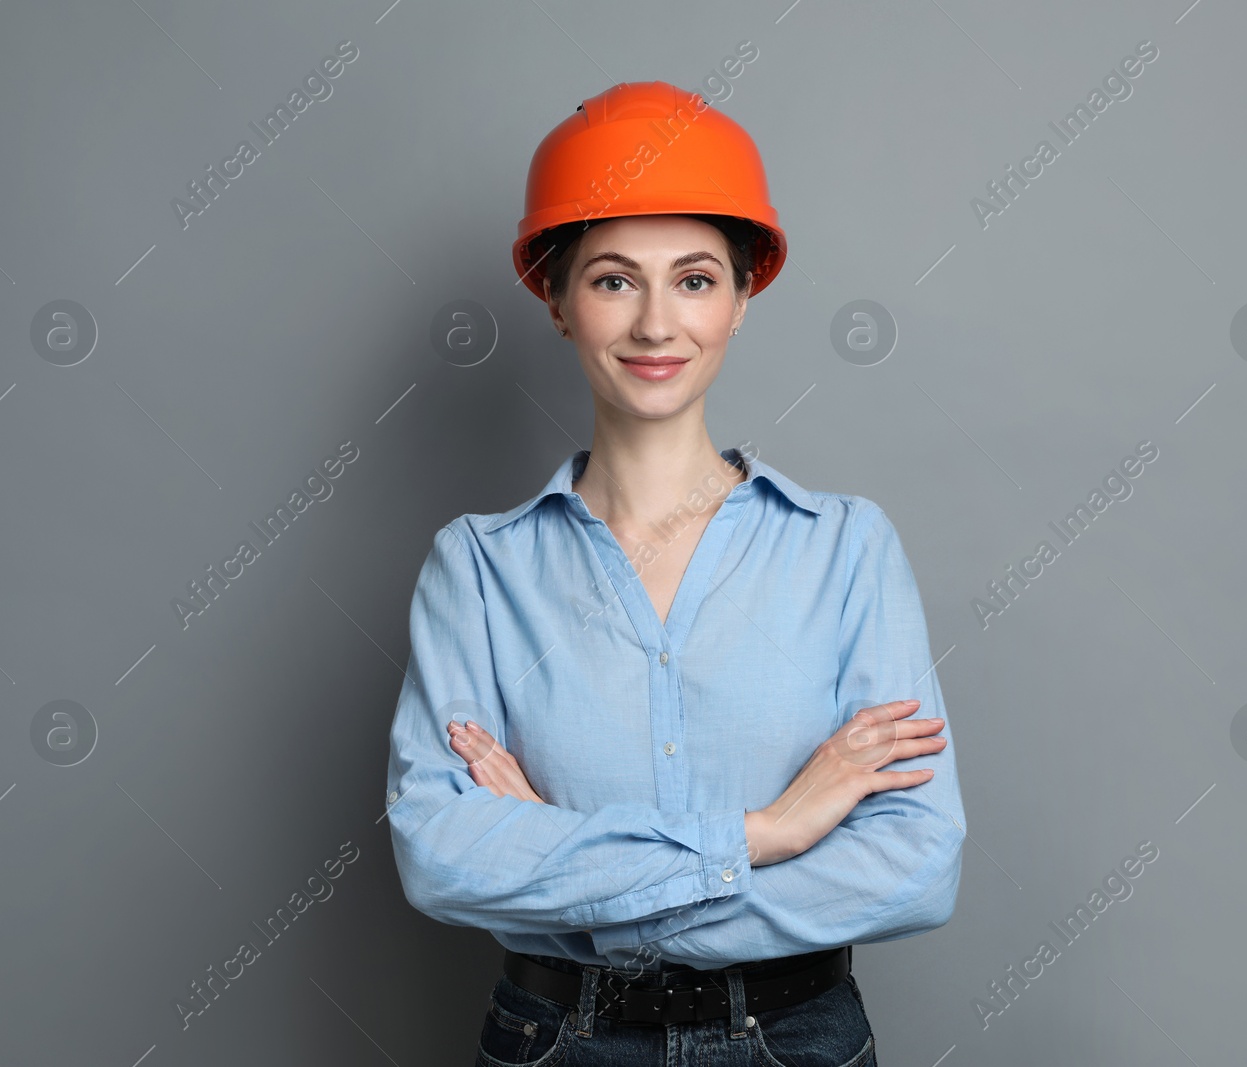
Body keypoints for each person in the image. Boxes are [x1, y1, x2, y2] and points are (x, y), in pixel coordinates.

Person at [386, 80, 965, 1066]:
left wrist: (573, 869)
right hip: (556, 1041)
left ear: (742, 299)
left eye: (694, 279)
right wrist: (765, 832)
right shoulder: (477, 566)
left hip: (796, 1041)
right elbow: (440, 854)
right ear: (558, 302)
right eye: (613, 279)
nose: (656, 323)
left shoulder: (845, 548)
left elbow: (913, 867)